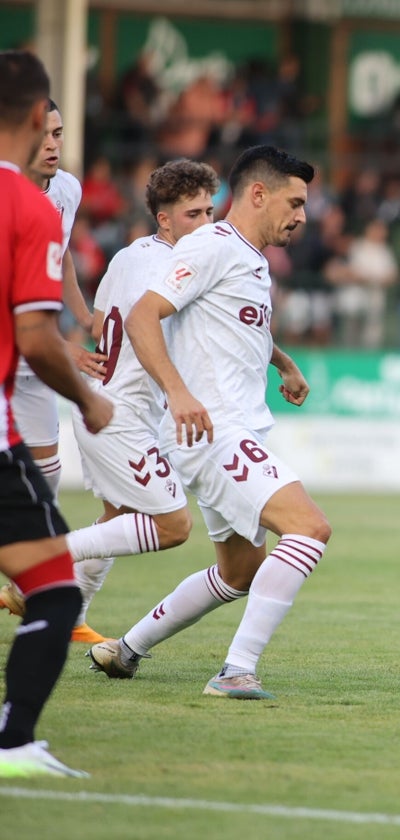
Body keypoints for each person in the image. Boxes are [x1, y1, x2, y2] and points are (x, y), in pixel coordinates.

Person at [87, 145, 331, 701]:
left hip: (231, 428)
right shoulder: (212, 246)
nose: (302, 215)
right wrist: (178, 393)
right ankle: (235, 670)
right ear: (258, 193)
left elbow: (239, 327)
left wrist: (284, 363)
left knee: (239, 571)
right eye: (295, 202)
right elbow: (145, 315)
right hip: (215, 431)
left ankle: (126, 649)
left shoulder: (251, 257)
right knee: (310, 529)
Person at [0, 49, 114, 777]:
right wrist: (89, 396)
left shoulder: (54, 196)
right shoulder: (28, 206)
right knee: (54, 589)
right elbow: (35, 338)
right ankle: (14, 747)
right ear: (41, 115)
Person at [55, 160, 220, 636]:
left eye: (210, 211)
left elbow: (97, 319)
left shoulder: (128, 255)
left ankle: (72, 615)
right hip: (119, 414)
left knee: (119, 517)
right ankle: (40, 558)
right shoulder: (175, 268)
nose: (206, 223)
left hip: (101, 404)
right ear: (164, 219)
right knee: (172, 526)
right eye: (193, 214)